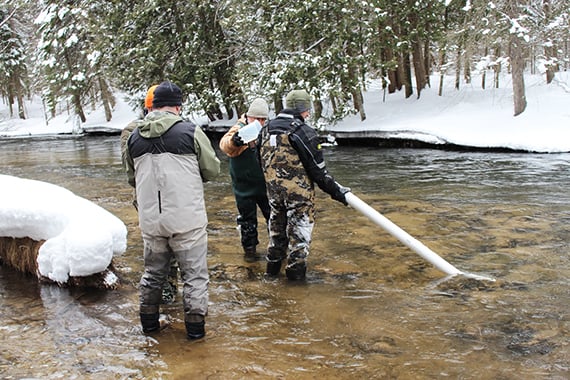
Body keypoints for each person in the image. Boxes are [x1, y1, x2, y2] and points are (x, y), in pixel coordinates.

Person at [125, 81, 221, 339]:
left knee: (153, 275)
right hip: (186, 220)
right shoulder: (190, 131)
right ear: (178, 106)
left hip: (151, 222)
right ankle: (195, 334)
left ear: (152, 106)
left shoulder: (133, 137)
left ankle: (149, 329)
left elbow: (131, 178)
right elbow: (212, 170)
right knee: (195, 277)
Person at [259, 89, 350, 281]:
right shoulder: (302, 131)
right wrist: (338, 193)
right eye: (307, 109)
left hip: (274, 194)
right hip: (299, 198)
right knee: (299, 241)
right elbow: (318, 172)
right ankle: (295, 290)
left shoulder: (265, 129)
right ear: (303, 109)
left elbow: (259, 162)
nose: (308, 114)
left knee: (276, 235)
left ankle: (271, 278)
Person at [121, 84, 179, 305]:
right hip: (168, 197)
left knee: (156, 245)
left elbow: (130, 173)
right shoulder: (175, 127)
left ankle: (161, 294)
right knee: (170, 245)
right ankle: (168, 291)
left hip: (145, 198)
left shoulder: (131, 131)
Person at [219, 98, 271, 260]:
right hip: (244, 187)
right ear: (248, 117)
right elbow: (224, 144)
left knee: (274, 218)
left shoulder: (267, 130)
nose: (260, 122)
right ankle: (250, 256)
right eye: (256, 119)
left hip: (265, 186)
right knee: (247, 222)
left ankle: (278, 251)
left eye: (263, 119)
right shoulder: (239, 128)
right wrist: (235, 141)